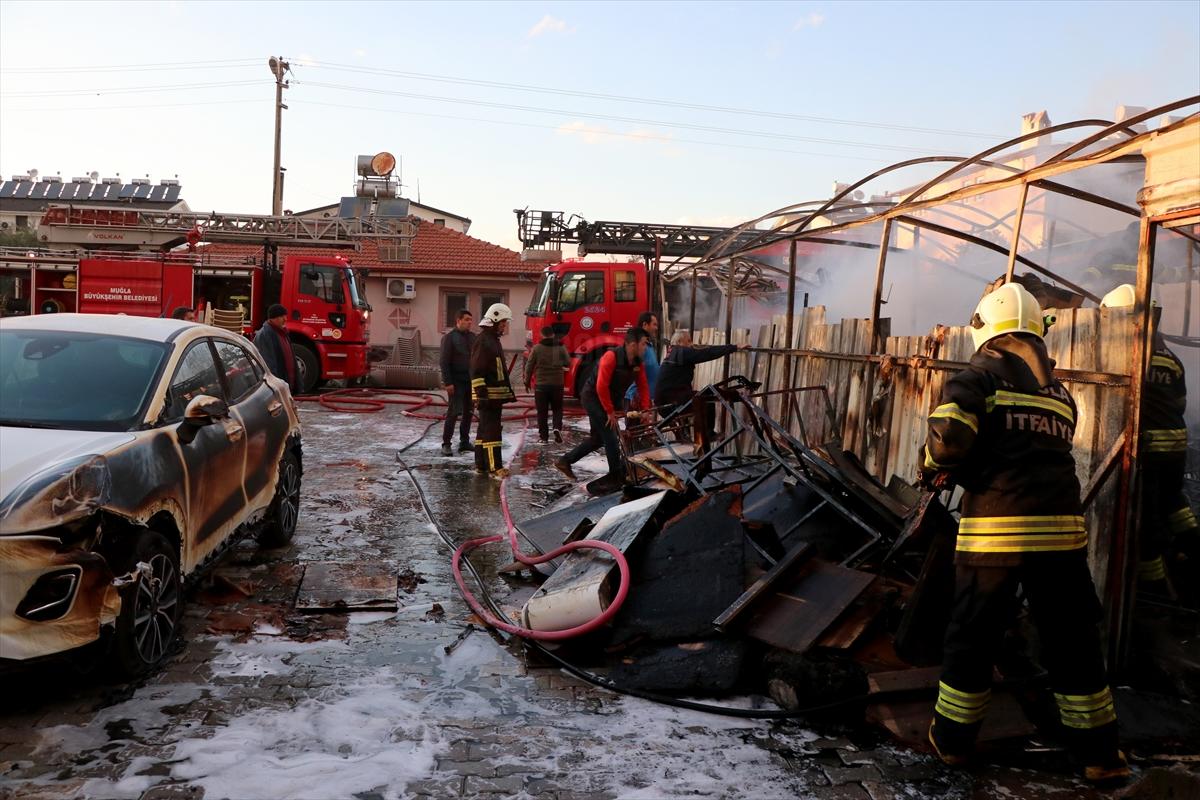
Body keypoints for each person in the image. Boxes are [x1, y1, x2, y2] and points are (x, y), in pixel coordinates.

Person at [920, 282, 1128, 783]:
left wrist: (933, 466)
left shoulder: (976, 379)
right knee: (1072, 642)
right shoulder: (1058, 394)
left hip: (995, 536)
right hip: (1061, 538)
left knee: (973, 638)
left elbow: (948, 442)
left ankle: (952, 742)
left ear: (984, 328)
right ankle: (1099, 755)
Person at [1100, 284, 1198, 599]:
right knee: (1174, 502)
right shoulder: (1169, 356)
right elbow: (1181, 403)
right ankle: (1193, 552)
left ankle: (1153, 590)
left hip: (1148, 447)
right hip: (1176, 443)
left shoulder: (1125, 353)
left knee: (1145, 515)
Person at [555, 328, 650, 488]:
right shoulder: (611, 357)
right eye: (644, 344)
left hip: (609, 400)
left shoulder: (637, 363)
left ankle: (565, 461)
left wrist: (646, 409)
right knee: (611, 438)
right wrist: (609, 411)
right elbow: (601, 386)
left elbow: (643, 386)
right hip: (593, 398)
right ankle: (616, 476)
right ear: (633, 344)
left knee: (597, 439)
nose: (646, 348)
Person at [655, 329, 748, 449]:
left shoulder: (673, 352)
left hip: (668, 400)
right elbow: (707, 353)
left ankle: (705, 434)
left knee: (704, 394)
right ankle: (708, 434)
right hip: (670, 403)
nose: (691, 344)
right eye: (688, 341)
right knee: (705, 398)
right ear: (679, 342)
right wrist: (733, 347)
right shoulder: (681, 352)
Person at [470, 303, 516, 478]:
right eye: (503, 322)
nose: (504, 326)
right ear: (495, 320)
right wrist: (482, 395)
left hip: (491, 395)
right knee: (492, 430)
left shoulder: (491, 340)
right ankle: (494, 466)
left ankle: (481, 465)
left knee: (484, 429)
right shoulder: (484, 341)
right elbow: (476, 370)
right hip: (488, 395)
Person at [439, 309, 477, 457]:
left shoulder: (473, 337)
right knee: (453, 412)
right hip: (456, 381)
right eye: (466, 319)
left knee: (469, 412)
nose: (469, 322)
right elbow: (444, 361)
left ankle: (464, 441)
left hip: (470, 381)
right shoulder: (449, 338)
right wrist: (448, 382)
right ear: (458, 320)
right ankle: (446, 443)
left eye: (470, 320)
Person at [525, 325, 571, 444]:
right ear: (553, 334)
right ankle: (556, 428)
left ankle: (544, 438)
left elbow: (529, 366)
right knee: (557, 409)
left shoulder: (537, 348)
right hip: (557, 384)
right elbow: (568, 361)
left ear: (542, 334)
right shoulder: (560, 347)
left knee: (542, 412)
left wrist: (527, 381)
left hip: (541, 385)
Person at [254, 303, 298, 393]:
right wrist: (276, 389)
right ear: (273, 318)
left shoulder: (282, 333)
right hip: (277, 389)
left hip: (284, 387)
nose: (285, 319)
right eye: (282, 316)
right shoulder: (265, 335)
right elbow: (269, 365)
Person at [624, 312, 661, 408]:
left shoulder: (649, 345)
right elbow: (631, 372)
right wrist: (633, 396)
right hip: (636, 400)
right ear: (645, 324)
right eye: (654, 324)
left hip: (646, 400)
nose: (656, 328)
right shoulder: (639, 348)